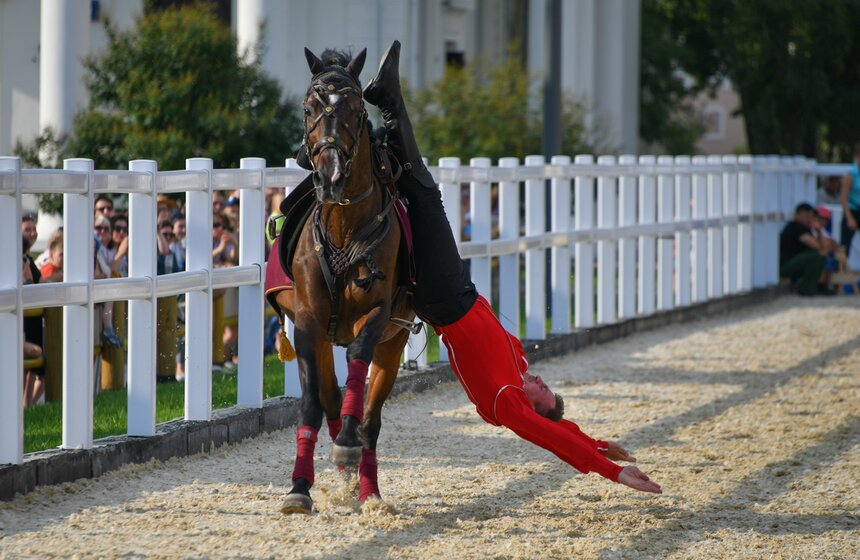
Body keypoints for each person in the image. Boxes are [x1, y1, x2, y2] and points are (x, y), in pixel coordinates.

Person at [351, 41, 661, 494]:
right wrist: (598, 444)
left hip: (446, 298)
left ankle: (387, 102)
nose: (541, 380)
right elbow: (564, 428)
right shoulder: (518, 364)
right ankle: (366, 139)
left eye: (543, 391)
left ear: (531, 406)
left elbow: (552, 436)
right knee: (412, 195)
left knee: (425, 194)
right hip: (456, 291)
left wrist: (609, 471)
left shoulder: (507, 403)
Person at [780, 203, 832, 296]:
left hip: (795, 264)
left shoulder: (806, 229)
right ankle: (806, 288)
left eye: (810, 217)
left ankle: (818, 286)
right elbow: (817, 246)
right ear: (797, 215)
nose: (809, 219)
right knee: (816, 256)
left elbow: (825, 247)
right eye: (806, 216)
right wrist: (818, 231)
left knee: (820, 256)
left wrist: (819, 231)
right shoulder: (795, 227)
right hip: (786, 266)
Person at [840, 143, 860, 254]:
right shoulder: (851, 173)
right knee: (845, 245)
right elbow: (843, 198)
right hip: (852, 210)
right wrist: (849, 218)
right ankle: (841, 263)